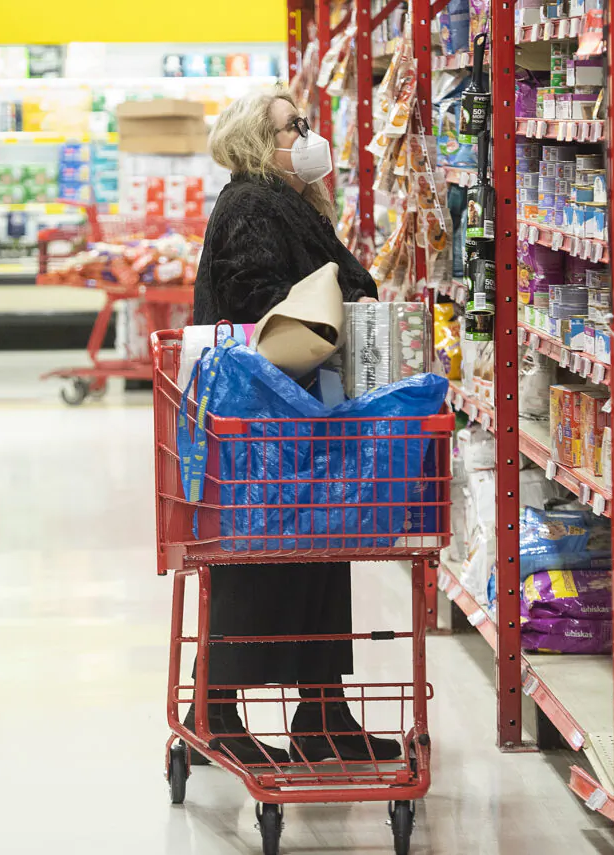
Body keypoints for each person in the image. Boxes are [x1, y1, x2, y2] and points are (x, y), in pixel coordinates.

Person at [185, 89, 400, 766]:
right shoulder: (251, 203)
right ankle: (215, 711)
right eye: (291, 127)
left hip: (299, 414)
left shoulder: (285, 201)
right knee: (259, 560)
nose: (306, 136)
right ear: (256, 139)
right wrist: (334, 304)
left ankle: (322, 712)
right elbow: (255, 302)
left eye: (305, 123)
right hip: (264, 418)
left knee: (317, 558)